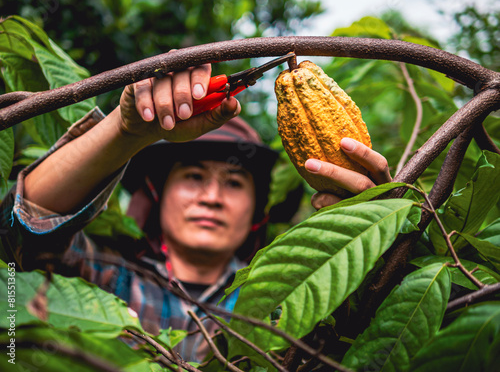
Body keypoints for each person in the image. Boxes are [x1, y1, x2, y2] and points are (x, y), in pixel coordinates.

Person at [0, 63, 391, 362]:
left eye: (234, 183)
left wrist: (376, 229)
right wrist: (129, 130)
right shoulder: (98, 276)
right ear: (159, 193)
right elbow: (17, 233)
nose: (211, 197)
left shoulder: (289, 301)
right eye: (193, 176)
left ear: (257, 209)